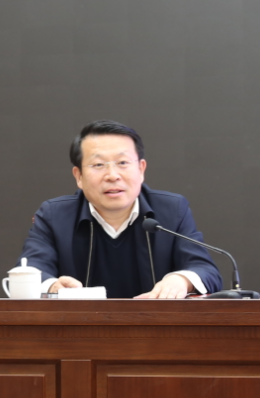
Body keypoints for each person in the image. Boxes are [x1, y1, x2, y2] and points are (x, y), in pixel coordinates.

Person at [18, 120, 222, 299]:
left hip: (155, 328)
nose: (112, 175)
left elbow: (205, 270)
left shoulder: (172, 210)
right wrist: (52, 286)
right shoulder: (54, 215)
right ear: (78, 176)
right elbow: (29, 270)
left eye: (123, 162)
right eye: (98, 165)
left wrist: (181, 280)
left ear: (141, 169)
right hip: (79, 328)